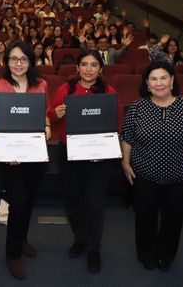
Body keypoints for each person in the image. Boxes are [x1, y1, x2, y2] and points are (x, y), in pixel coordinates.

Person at [120, 61, 183, 273]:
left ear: (172, 81)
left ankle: (166, 254)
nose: (159, 83)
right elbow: (127, 137)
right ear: (147, 84)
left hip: (180, 175)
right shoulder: (137, 107)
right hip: (144, 174)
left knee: (173, 218)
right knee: (144, 217)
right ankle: (146, 253)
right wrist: (125, 162)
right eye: (153, 79)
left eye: (163, 78)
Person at [49, 49, 124, 274]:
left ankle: (93, 247)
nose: (88, 69)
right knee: (73, 201)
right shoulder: (65, 89)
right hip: (69, 153)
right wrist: (57, 114)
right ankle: (79, 238)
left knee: (93, 203)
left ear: (100, 69)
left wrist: (103, 149)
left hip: (97, 156)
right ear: (77, 67)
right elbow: (51, 117)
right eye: (84, 64)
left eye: (93, 65)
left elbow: (117, 124)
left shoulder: (109, 91)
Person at [0, 42, 52, 280]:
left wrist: (46, 126)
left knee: (29, 199)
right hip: (9, 157)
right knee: (19, 201)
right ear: (7, 61)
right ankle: (12, 253)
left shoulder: (41, 84)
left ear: (30, 62)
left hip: (34, 153)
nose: (18, 64)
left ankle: (22, 238)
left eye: (23, 59)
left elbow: (44, 112)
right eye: (14, 59)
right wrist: (6, 152)